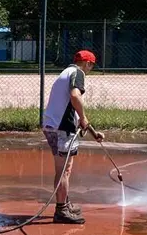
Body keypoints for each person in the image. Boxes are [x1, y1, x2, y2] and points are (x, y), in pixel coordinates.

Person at [42, 50, 104, 224]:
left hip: (52, 126)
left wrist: (92, 131)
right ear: (87, 63)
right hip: (61, 129)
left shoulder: (66, 72)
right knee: (64, 171)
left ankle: (64, 203)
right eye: (91, 65)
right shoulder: (78, 73)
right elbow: (75, 95)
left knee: (62, 170)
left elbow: (70, 107)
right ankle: (61, 210)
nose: (90, 69)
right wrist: (83, 118)